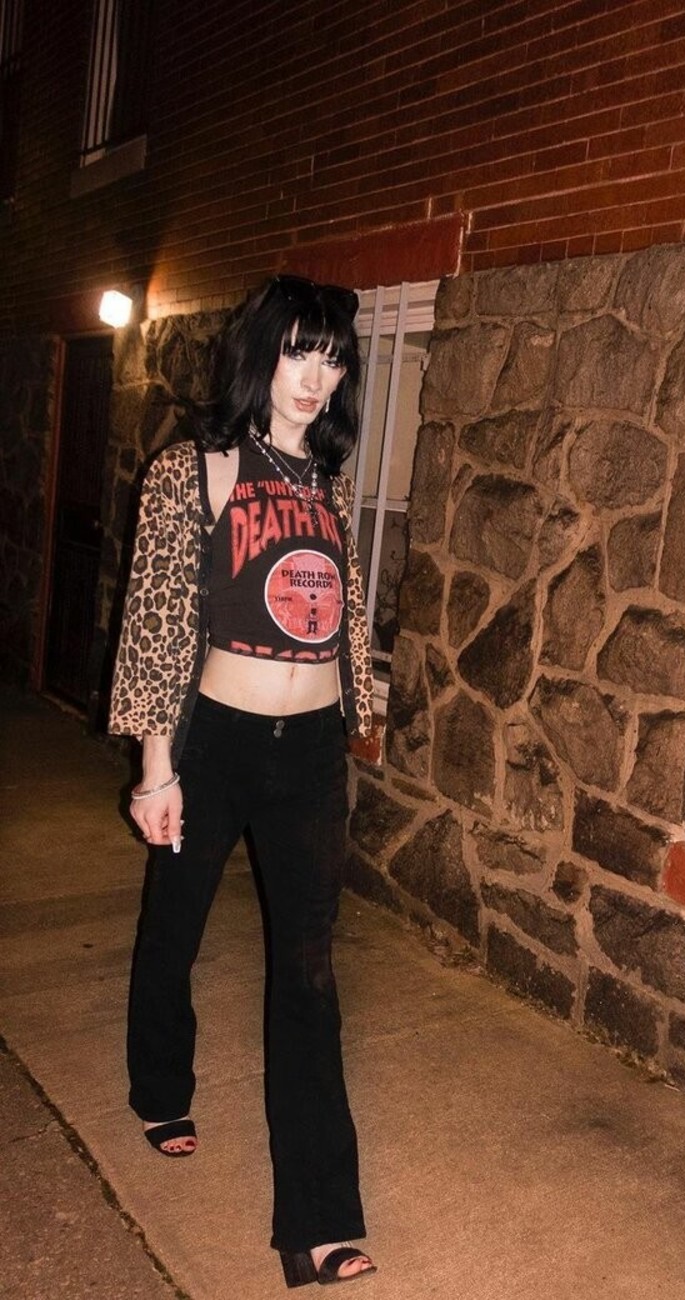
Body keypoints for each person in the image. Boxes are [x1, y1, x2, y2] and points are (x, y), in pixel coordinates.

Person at [109, 274, 377, 1288]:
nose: (314, 377)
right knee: (174, 921)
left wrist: (357, 715)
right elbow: (158, 618)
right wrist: (156, 768)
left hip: (308, 756)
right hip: (215, 742)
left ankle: (318, 1220)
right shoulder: (197, 469)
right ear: (260, 353)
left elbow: (339, 615)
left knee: (308, 975)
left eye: (332, 358)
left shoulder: (326, 483)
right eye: (298, 351)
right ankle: (159, 1084)